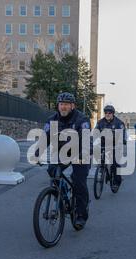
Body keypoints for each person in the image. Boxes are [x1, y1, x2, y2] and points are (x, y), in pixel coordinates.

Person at [36, 92, 91, 231]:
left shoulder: (82, 120)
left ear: (72, 106)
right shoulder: (52, 120)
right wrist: (37, 154)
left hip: (80, 153)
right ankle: (63, 192)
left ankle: (80, 214)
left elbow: (85, 141)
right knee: (52, 171)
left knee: (79, 181)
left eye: (66, 104)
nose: (63, 107)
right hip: (61, 153)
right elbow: (45, 138)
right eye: (61, 104)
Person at [95, 104, 127, 188]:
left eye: (109, 113)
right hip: (103, 143)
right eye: (106, 113)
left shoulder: (119, 123)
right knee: (101, 159)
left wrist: (123, 140)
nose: (107, 114)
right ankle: (102, 170)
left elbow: (123, 133)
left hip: (115, 144)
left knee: (115, 163)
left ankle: (117, 182)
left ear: (113, 114)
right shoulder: (100, 122)